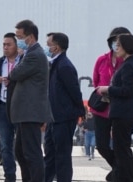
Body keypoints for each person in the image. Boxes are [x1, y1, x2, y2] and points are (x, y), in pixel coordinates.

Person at [94, 33, 133, 182]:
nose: (116, 48)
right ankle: (130, 176)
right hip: (122, 113)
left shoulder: (129, 65)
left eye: (119, 45)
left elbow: (128, 90)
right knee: (121, 149)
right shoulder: (128, 64)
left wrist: (108, 89)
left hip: (124, 114)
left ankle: (125, 177)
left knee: (122, 150)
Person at [8, 19, 50, 182]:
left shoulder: (34, 55)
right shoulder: (30, 54)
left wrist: (19, 60)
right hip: (25, 113)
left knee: (32, 152)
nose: (17, 41)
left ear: (30, 37)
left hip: (30, 112)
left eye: (19, 37)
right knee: (20, 151)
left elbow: (15, 74)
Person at [90, 26, 131, 179]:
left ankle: (123, 173)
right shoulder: (102, 60)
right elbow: (96, 81)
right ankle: (122, 170)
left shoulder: (127, 62)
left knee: (121, 146)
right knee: (101, 146)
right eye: (115, 41)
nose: (117, 45)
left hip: (119, 109)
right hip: (101, 109)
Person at [43, 32, 80, 182]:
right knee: (50, 154)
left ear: (56, 47)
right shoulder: (54, 64)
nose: (46, 48)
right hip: (53, 118)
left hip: (63, 118)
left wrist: (80, 111)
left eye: (48, 45)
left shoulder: (64, 66)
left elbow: (75, 91)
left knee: (62, 156)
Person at [0, 33, 20, 182]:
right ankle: (10, 176)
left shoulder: (24, 61)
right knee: (5, 145)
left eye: (9, 45)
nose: (5, 47)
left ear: (16, 46)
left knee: (22, 145)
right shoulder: (0, 63)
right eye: (4, 45)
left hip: (20, 108)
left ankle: (28, 175)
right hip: (2, 106)